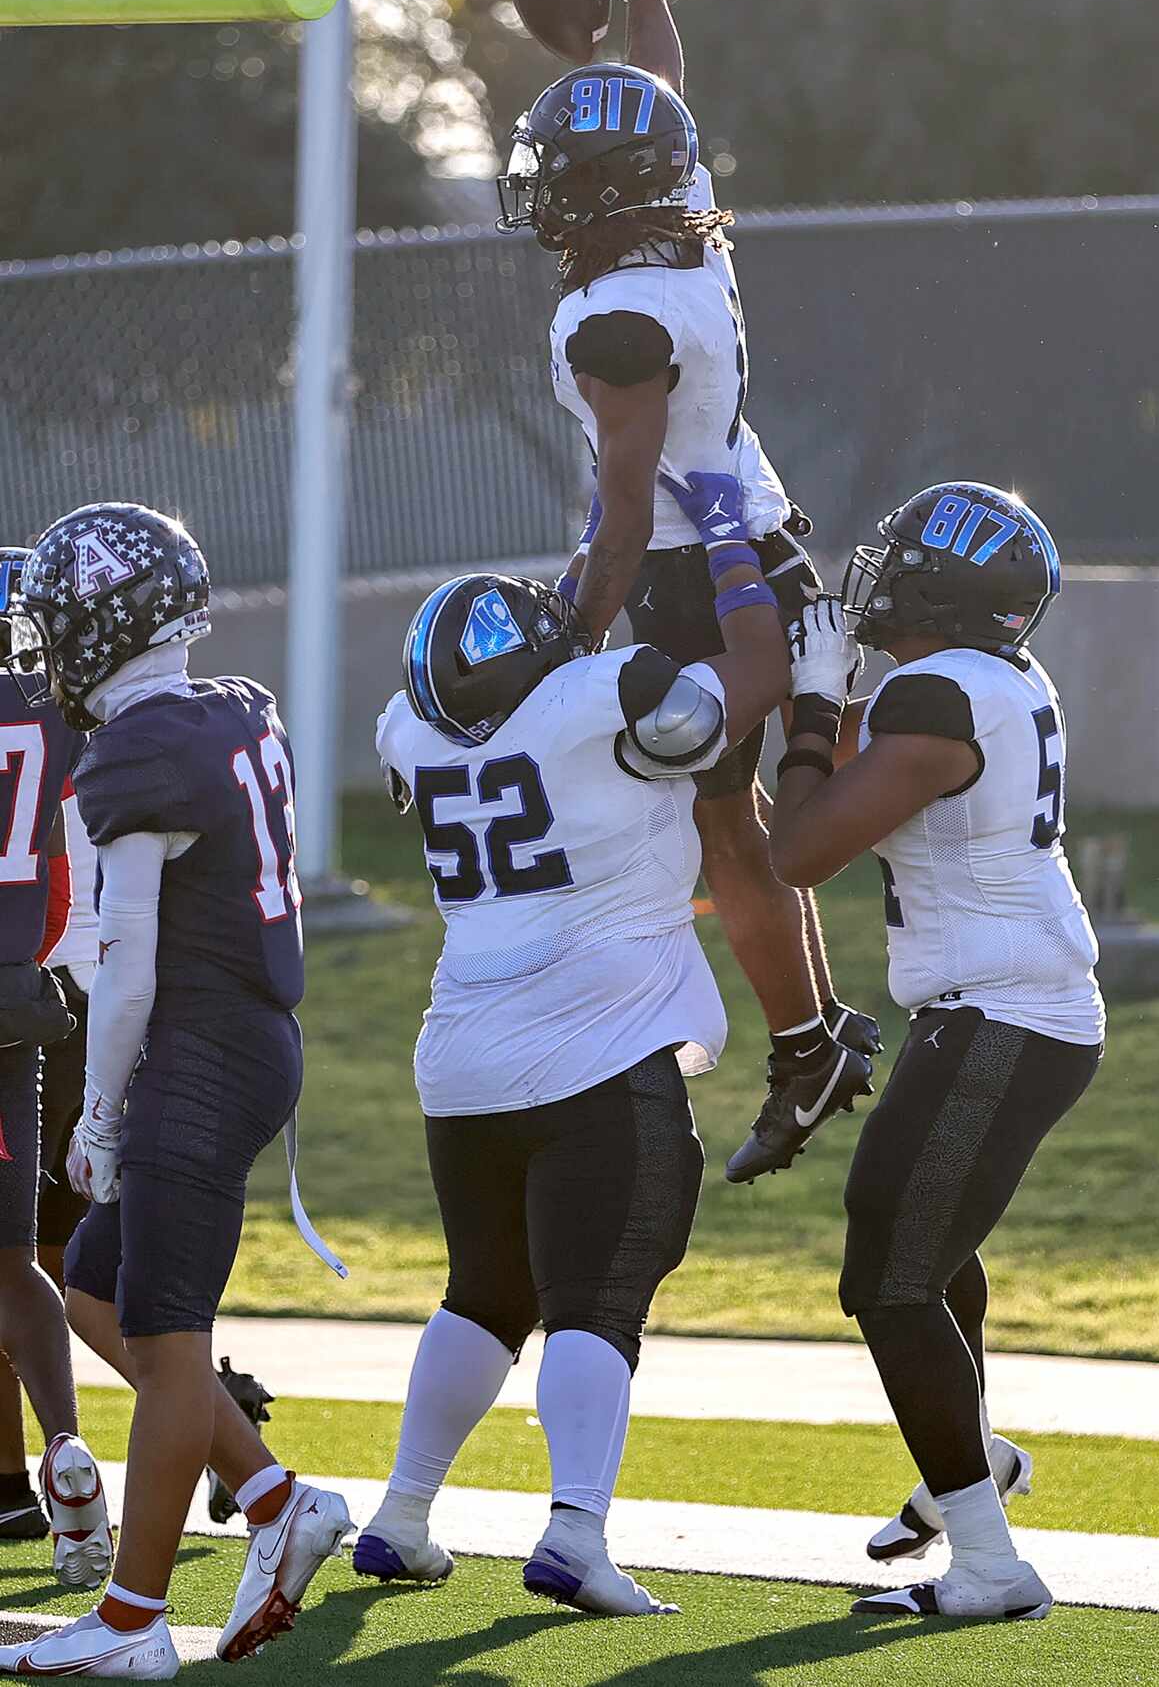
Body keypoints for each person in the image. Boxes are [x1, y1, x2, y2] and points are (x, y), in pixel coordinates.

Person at [355, 472, 789, 1615]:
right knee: (599, 1301)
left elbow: (516, 685)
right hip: (601, 1044)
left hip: (463, 1059)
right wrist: (735, 547)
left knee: (484, 1293)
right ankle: (575, 1532)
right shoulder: (603, 695)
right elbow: (757, 681)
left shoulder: (412, 730)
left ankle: (401, 1515)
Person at [495, 0, 879, 1175]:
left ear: (593, 195)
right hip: (747, 541)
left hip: (696, 570)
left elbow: (621, 506)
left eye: (553, 168)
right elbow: (659, 91)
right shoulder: (681, 222)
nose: (538, 182)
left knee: (711, 832)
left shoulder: (613, 318)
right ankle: (806, 1037)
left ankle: (782, 1043)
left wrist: (570, 635)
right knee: (729, 828)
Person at [0, 505, 351, 1680]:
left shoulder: (133, 755)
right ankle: (269, 1494)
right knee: (97, 1289)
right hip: (242, 1041)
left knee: (165, 1333)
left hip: (199, 1052)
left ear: (99, 627)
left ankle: (134, 1618)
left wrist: (99, 1115)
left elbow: (131, 960)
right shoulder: (238, 707)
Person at [767, 482, 1104, 1622]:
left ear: (938, 589)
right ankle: (967, 1463)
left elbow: (799, 849)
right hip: (1002, 1006)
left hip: (1004, 1012)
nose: (873, 577)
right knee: (927, 1240)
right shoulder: (988, 682)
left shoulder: (935, 694)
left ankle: (991, 1564)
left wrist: (812, 707)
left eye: (897, 560)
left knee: (888, 1269)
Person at [0, 544, 112, 1587]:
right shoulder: (67, 717)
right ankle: (64, 1456)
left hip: (50, 993)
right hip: (30, 1004)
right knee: (22, 1261)